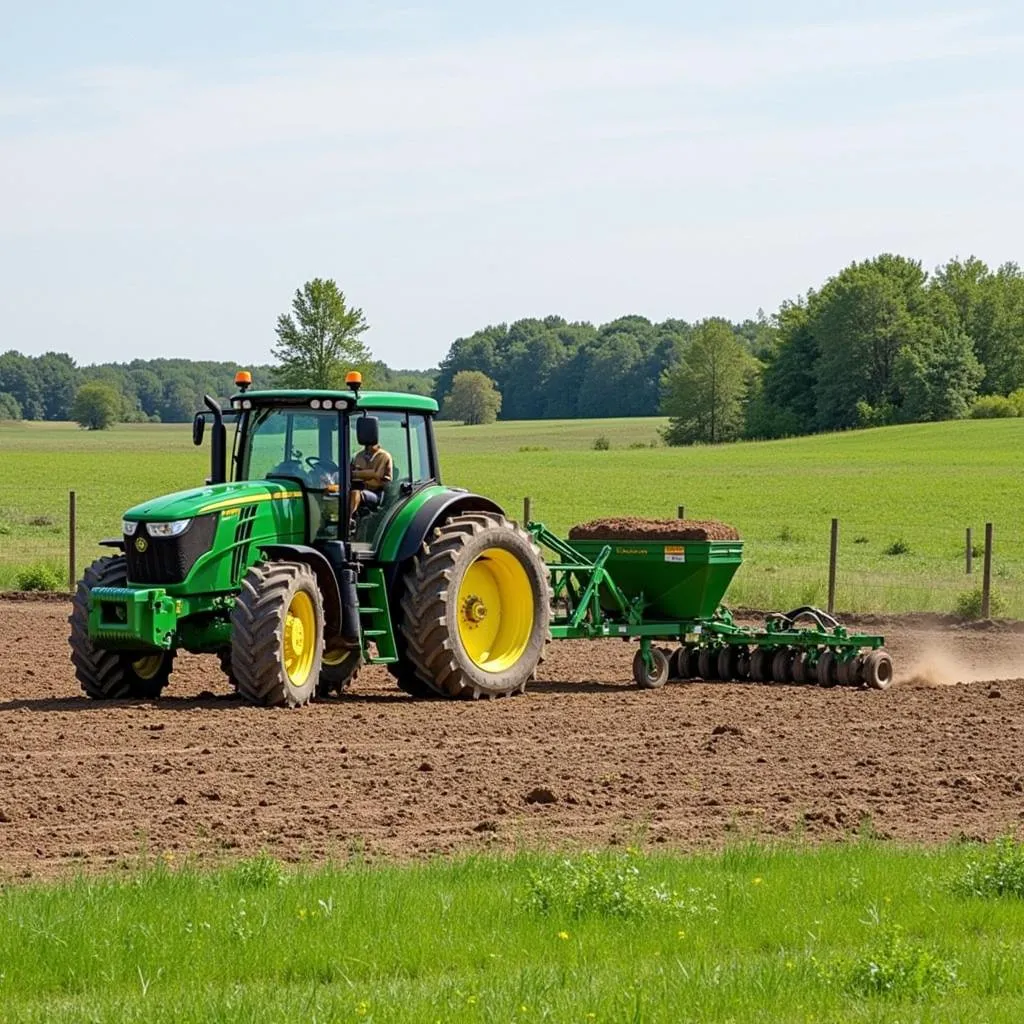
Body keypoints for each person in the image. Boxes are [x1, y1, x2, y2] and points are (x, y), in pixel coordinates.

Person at [349, 416, 393, 517]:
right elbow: (350, 473)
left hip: (376, 493)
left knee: (355, 493)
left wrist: (357, 474)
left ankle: (349, 519)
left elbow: (376, 475)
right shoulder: (358, 456)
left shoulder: (383, 456)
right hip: (358, 489)